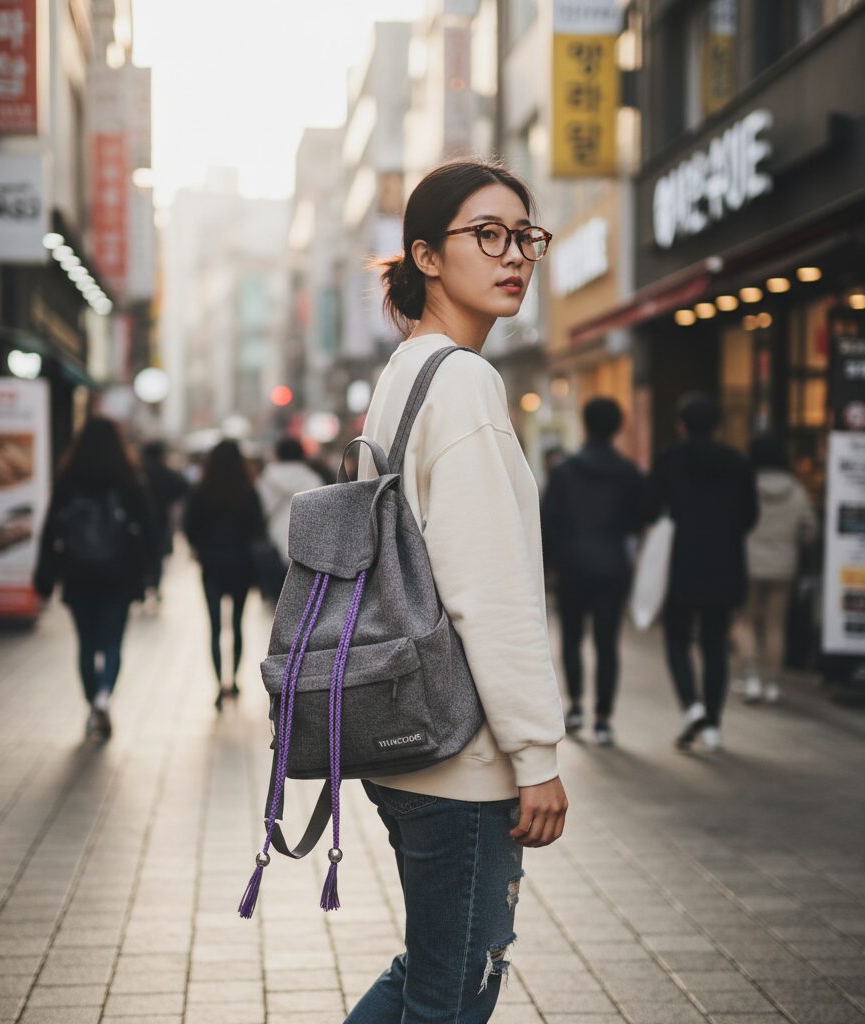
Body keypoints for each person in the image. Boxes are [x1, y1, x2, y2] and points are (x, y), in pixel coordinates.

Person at [345, 159, 567, 1024]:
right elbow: (491, 589)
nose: (515, 255)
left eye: (525, 237)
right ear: (427, 257)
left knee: (424, 974)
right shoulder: (466, 383)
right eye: (489, 235)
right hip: (462, 757)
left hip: (404, 733)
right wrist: (536, 756)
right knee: (452, 993)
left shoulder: (407, 373)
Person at [647, 394, 758, 753]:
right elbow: (749, 516)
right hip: (725, 562)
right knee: (714, 645)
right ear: (718, 425)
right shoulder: (737, 462)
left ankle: (691, 705)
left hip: (682, 562)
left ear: (681, 424)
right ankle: (713, 725)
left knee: (677, 638)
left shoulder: (669, 459)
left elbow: (651, 507)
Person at [34, 416, 157, 740]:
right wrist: (150, 575)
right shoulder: (128, 479)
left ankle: (92, 705)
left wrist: (44, 573)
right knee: (113, 643)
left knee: (87, 645)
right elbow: (147, 530)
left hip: (78, 573)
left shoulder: (69, 479)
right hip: (120, 575)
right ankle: (104, 698)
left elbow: (50, 529)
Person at [541, 397, 645, 746]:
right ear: (617, 427)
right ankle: (603, 719)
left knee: (572, 638)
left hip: (573, 566)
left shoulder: (564, 471)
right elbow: (640, 517)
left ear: (584, 424)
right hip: (614, 566)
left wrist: (551, 566)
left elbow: (548, 522)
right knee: (607, 642)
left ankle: (575, 707)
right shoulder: (628, 472)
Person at [735, 432, 818, 703]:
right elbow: (810, 529)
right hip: (784, 564)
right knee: (775, 625)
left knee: (744, 621)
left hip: (749, 561)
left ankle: (751, 680)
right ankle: (772, 685)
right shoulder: (795, 489)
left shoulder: (746, 484)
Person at [183, 440, 265, 711]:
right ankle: (236, 680)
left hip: (212, 567)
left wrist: (202, 548)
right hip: (241, 566)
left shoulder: (201, 492)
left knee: (216, 628)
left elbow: (189, 528)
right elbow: (258, 529)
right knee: (238, 626)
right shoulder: (247, 492)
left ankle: (220, 684)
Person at [255, 437, 325, 562]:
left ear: (278, 454)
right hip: (305, 540)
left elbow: (261, 508)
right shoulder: (312, 478)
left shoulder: (267, 478)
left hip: (273, 537)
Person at [140, 440, 189, 600]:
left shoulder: (139, 473)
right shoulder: (165, 473)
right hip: (159, 522)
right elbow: (183, 487)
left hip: (139, 525)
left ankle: (144, 585)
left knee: (143, 555)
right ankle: (154, 585)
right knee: (158, 556)